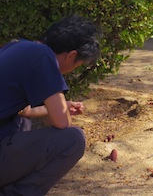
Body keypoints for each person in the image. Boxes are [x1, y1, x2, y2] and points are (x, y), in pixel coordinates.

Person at [0, 15, 101, 195]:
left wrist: (54, 107)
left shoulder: (17, 45)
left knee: (23, 122)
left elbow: (24, 110)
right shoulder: (44, 57)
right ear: (71, 56)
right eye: (78, 65)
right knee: (73, 139)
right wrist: (60, 109)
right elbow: (62, 123)